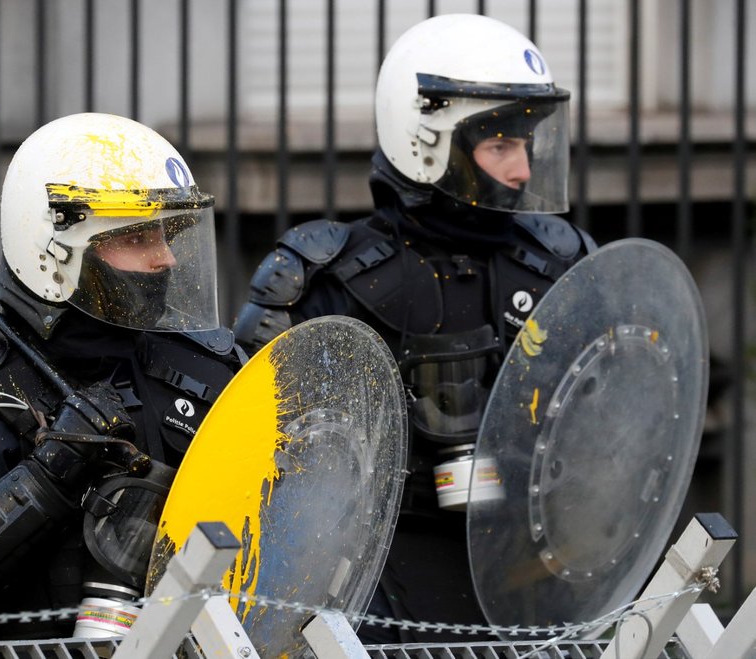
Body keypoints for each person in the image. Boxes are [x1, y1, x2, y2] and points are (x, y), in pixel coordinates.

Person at [233, 14, 596, 643]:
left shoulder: (564, 264)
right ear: (429, 141)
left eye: (527, 144)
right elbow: (258, 468)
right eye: (500, 145)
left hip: (538, 590)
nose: (522, 170)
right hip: (367, 600)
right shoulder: (320, 277)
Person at [0, 112, 245, 644]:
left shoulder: (210, 369)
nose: (165, 258)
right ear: (54, 250)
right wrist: (50, 472)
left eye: (168, 233)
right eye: (136, 235)